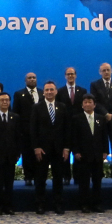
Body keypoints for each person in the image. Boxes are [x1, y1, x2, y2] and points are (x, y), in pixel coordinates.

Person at [31, 81, 71, 214]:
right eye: (47, 90)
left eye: (51, 90)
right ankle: (40, 204)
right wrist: (36, 147)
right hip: (42, 149)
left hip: (59, 149)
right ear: (43, 92)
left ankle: (58, 204)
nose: (49, 92)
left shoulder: (63, 107)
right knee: (40, 178)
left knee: (58, 178)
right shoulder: (37, 107)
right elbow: (33, 129)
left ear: (56, 91)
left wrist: (66, 148)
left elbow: (67, 129)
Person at [72, 94, 109, 213]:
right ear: (82, 105)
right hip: (83, 155)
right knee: (84, 182)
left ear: (95, 104)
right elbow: (74, 137)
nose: (88, 104)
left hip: (98, 155)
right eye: (85, 102)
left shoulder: (101, 118)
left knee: (97, 181)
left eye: (90, 102)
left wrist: (105, 151)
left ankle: (97, 204)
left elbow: (104, 136)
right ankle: (84, 204)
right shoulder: (77, 119)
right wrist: (76, 151)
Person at [56, 67, 87, 185]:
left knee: (79, 150)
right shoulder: (60, 91)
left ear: (76, 75)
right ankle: (66, 176)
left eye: (72, 74)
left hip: (79, 125)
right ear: (65, 76)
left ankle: (78, 176)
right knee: (65, 150)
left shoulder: (82, 91)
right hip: (65, 125)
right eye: (68, 74)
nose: (70, 76)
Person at [12, 72, 43, 186]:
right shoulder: (19, 94)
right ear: (25, 80)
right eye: (29, 78)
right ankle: (28, 177)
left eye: (34, 77)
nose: (32, 79)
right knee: (27, 154)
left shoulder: (42, 92)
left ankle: (38, 177)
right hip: (25, 131)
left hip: (40, 131)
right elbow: (16, 113)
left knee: (40, 155)